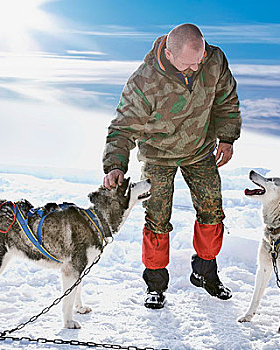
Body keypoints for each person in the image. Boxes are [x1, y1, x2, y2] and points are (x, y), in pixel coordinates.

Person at [102, 23, 241, 309]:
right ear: (168, 53)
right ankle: (155, 284)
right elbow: (123, 126)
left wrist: (227, 138)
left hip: (200, 149)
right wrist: (115, 165)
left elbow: (226, 101)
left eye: (199, 59)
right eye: (188, 63)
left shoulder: (213, 61)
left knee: (212, 209)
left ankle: (205, 272)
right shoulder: (145, 80)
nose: (195, 66)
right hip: (158, 155)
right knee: (157, 216)